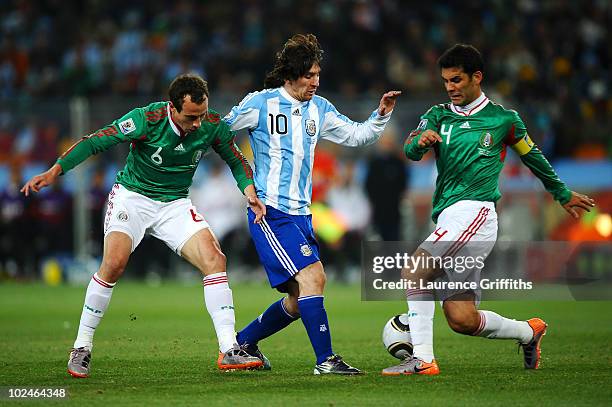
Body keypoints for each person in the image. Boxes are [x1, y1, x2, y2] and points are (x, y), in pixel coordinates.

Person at [21, 73, 266, 378]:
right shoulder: (145, 119)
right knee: (113, 264)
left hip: (174, 203)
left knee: (215, 259)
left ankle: (229, 350)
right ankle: (82, 346)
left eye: (202, 115)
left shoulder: (211, 124)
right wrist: (57, 169)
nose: (198, 124)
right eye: (191, 117)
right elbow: (96, 141)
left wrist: (249, 190)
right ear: (172, 108)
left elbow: (236, 160)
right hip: (132, 198)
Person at [382, 44, 595, 376]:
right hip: (450, 217)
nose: (450, 87)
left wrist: (560, 191)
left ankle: (423, 360)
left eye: (456, 80)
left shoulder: (503, 120)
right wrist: (419, 141)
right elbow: (409, 149)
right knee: (462, 319)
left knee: (414, 269)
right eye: (446, 81)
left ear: (476, 77)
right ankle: (530, 331)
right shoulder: (438, 115)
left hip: (476, 214)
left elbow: (532, 156)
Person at [223, 33, 401, 375]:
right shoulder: (260, 103)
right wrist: (245, 181)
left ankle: (242, 344)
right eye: (309, 76)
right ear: (290, 75)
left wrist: (380, 115)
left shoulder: (319, 108)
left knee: (298, 298)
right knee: (314, 278)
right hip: (271, 212)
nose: (316, 82)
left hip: (302, 215)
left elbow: (355, 135)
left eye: (318, 75)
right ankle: (326, 361)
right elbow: (219, 134)